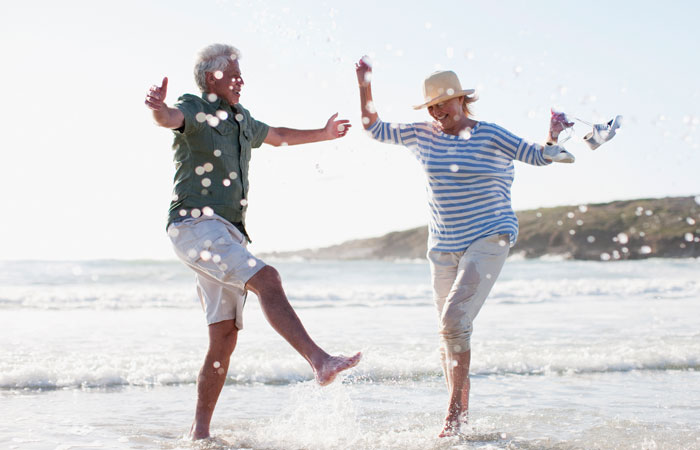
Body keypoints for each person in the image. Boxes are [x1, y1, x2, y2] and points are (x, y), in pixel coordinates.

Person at [144, 43, 361, 440]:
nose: (241, 79)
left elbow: (277, 135)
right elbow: (169, 118)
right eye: (233, 72)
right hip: (194, 225)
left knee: (224, 336)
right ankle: (319, 360)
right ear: (212, 77)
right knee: (268, 278)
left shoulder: (241, 119)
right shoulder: (193, 107)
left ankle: (200, 433)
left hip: (227, 232)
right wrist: (158, 108)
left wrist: (325, 134)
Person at [354, 57, 573, 437]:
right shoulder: (421, 134)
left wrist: (552, 135)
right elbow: (373, 128)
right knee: (449, 332)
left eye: (445, 103)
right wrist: (365, 84)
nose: (439, 112)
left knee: (454, 322)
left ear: (461, 101)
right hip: (442, 247)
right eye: (433, 106)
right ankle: (461, 419)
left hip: (490, 235)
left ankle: (453, 417)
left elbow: (538, 156)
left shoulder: (490, 134)